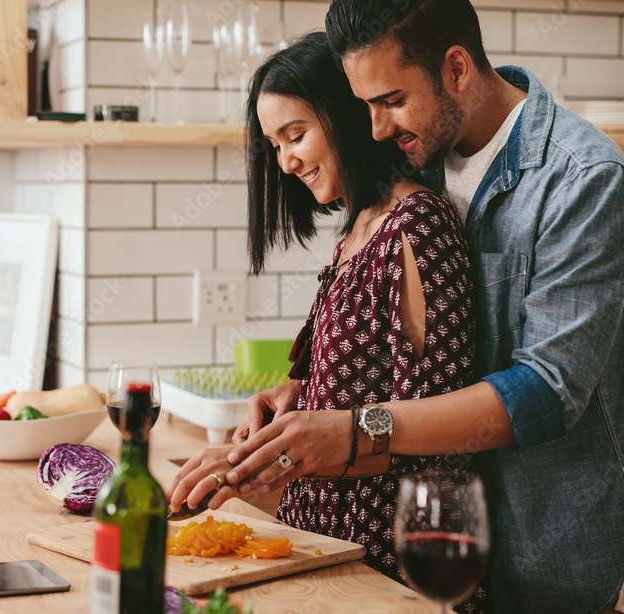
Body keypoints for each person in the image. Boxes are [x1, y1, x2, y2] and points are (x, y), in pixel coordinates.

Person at [173, 1, 624, 613]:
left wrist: (356, 427)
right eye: (365, 105)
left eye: (391, 100)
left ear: (457, 68)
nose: (375, 128)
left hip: (568, 557)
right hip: (456, 543)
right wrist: (317, 392)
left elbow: (547, 389)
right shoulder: (420, 155)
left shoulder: (583, 176)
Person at [167, 31, 486, 611]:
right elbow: (372, 384)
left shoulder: (417, 228)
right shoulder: (359, 229)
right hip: (325, 548)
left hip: (385, 567)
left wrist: (256, 464)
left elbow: (432, 436)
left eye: (296, 135)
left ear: (343, 114)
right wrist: (304, 394)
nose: (286, 161)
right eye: (275, 144)